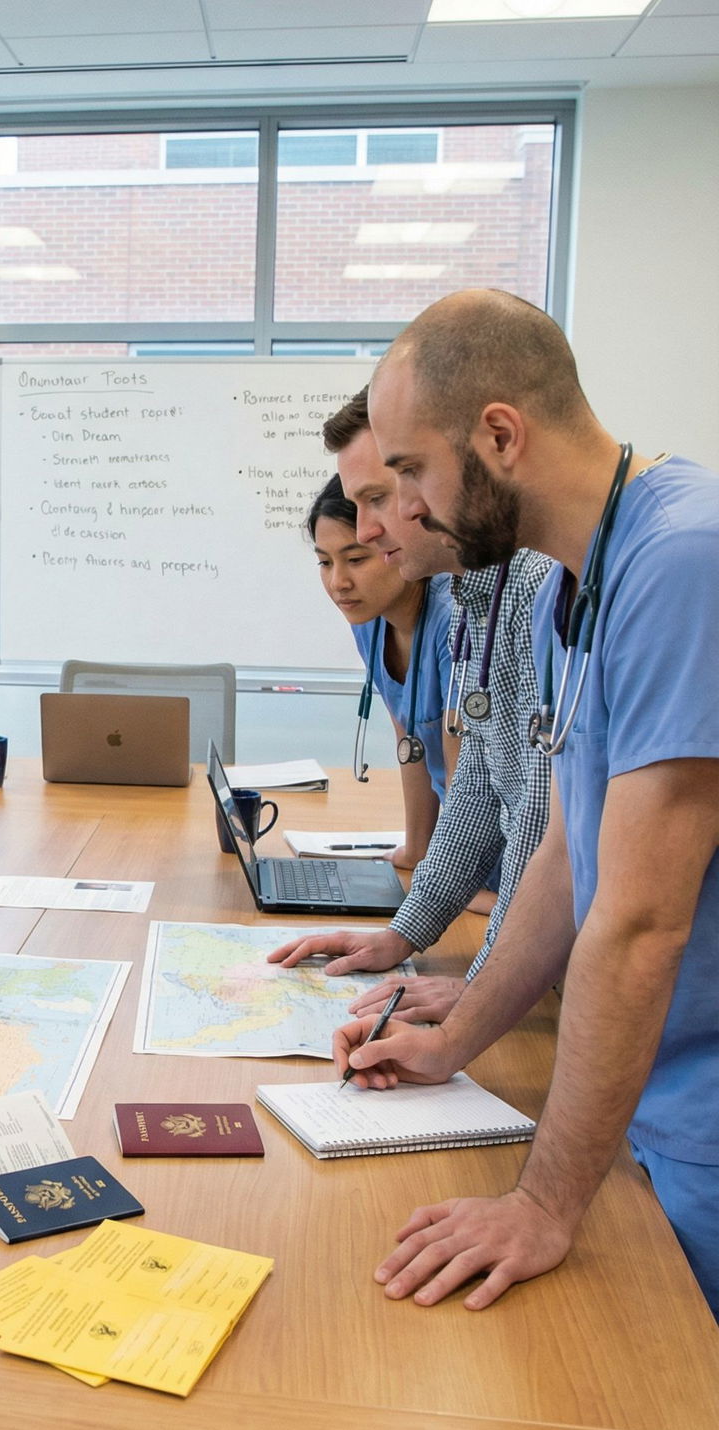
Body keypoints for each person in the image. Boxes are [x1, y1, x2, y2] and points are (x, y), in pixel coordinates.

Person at [335, 288, 719, 1317]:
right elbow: (561, 852)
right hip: (645, 1097)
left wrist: (543, 1203)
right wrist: (453, 1040)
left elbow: (640, 923)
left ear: (499, 436)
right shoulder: (562, 587)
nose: (404, 511)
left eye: (412, 471)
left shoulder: (686, 560)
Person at [270, 388, 554, 1024]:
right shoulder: (477, 595)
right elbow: (479, 787)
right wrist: (405, 931)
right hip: (541, 943)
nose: (369, 527)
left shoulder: (535, 587)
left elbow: (537, 819)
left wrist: (486, 983)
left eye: (382, 495)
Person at [303, 471, 455, 871]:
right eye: (324, 562)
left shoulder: (453, 622)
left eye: (356, 559)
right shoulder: (369, 621)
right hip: (450, 857)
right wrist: (416, 851)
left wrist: (443, 876)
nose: (338, 582)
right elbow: (410, 739)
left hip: (493, 860)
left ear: (394, 545)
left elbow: (466, 785)